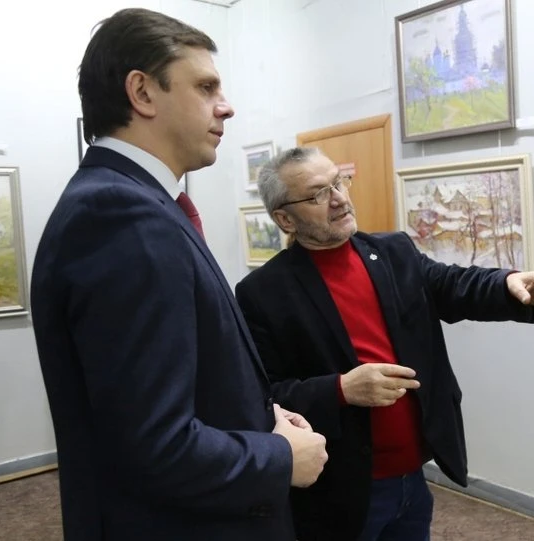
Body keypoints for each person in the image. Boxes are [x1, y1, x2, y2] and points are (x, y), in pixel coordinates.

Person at [30, 9, 327, 541]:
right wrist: (279, 457)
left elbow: (165, 391)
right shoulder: (122, 216)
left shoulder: (135, 203)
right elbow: (153, 444)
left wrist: (260, 417)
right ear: (142, 93)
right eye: (206, 87)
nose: (226, 106)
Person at [234, 146, 534, 541]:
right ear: (285, 218)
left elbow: (452, 284)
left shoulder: (393, 252)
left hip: (413, 476)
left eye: (338, 182)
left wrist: (508, 283)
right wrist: (341, 389)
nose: (338, 198)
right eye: (318, 194)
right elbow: (266, 395)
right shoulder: (262, 292)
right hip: (340, 487)